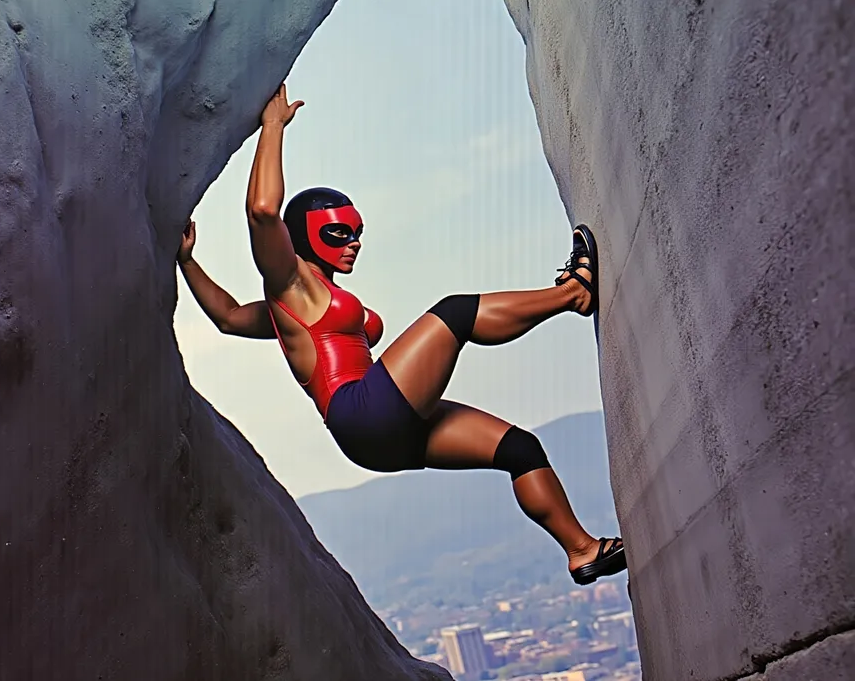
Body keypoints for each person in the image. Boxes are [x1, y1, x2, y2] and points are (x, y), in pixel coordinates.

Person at [176, 83, 626, 586]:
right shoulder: (291, 286)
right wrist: (274, 127)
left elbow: (232, 317)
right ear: (303, 238)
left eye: (356, 232)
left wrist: (187, 261)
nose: (353, 243)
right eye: (337, 233)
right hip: (361, 412)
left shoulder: (300, 307)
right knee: (455, 313)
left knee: (519, 449)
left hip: (381, 434)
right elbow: (262, 211)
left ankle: (582, 551)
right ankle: (573, 295)